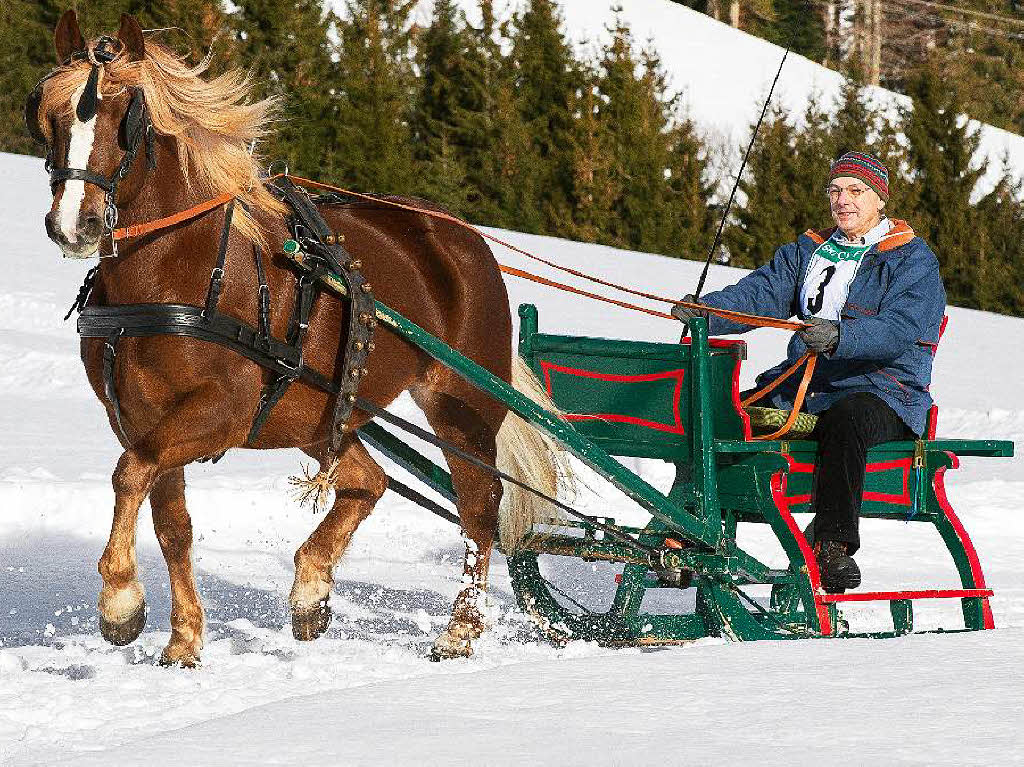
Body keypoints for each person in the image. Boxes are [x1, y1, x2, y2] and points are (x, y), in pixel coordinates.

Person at [672, 151, 946, 593]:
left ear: (879, 199)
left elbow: (901, 329)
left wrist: (840, 336)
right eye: (835, 191)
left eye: (856, 191)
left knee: (846, 420)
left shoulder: (911, 260)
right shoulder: (810, 249)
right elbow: (761, 292)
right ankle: (686, 535)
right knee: (723, 418)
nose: (843, 201)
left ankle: (832, 544)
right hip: (804, 386)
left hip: (885, 392)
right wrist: (706, 312)